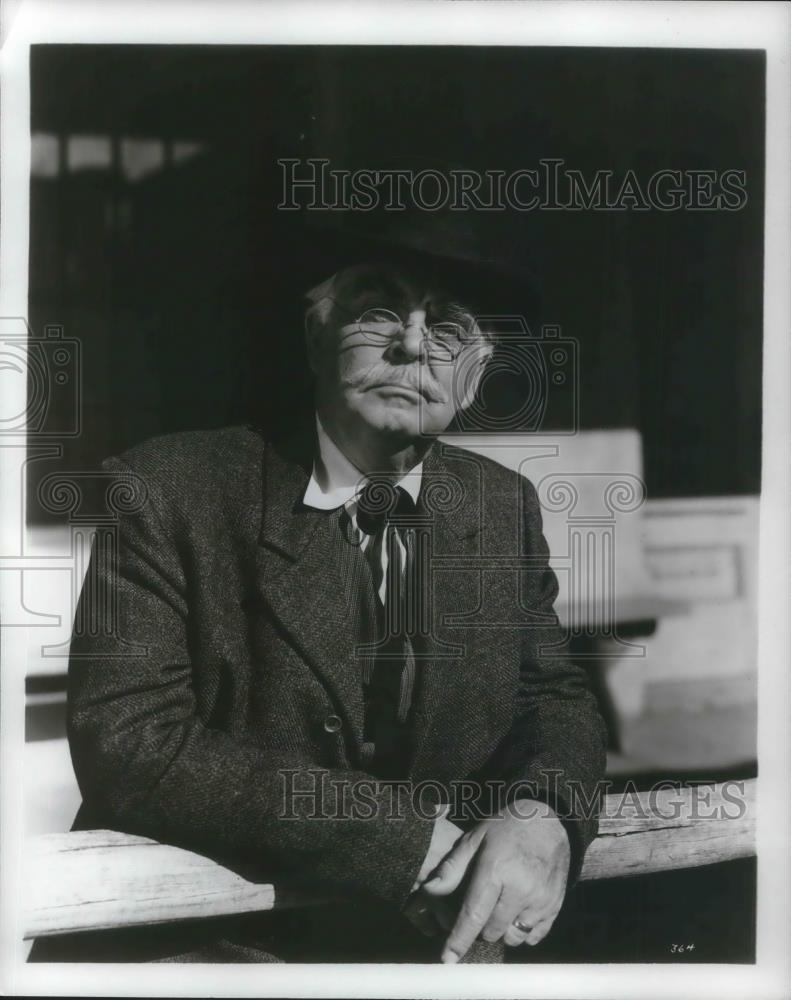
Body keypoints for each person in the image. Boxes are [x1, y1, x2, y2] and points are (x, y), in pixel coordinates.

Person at [30, 219, 608, 964]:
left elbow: (550, 697)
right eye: (377, 314)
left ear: (478, 371)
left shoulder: (500, 504)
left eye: (449, 330)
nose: (410, 347)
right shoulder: (170, 487)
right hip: (201, 940)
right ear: (315, 335)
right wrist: (395, 842)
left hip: (433, 949)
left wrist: (543, 811)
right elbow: (131, 742)